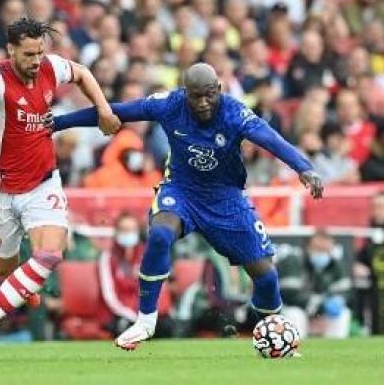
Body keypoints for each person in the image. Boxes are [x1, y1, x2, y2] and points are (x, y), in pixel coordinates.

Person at [48, 62, 324, 350]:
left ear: (218, 89)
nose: (203, 103)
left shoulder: (235, 113)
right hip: (181, 191)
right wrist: (59, 122)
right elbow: (114, 109)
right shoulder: (169, 105)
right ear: (185, 92)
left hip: (226, 199)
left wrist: (304, 168)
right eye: (196, 96)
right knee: (160, 234)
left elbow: (272, 140)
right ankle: (146, 320)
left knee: (265, 275)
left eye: (209, 95)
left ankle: (275, 335)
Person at [0, 17, 120, 358]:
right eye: (29, 54)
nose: (36, 61)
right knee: (4, 273)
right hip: (1, 189)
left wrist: (102, 109)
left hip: (43, 184)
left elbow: (83, 73)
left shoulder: (50, 68)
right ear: (11, 50)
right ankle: (15, 283)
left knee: (49, 255)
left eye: (39, 53)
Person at [277, 229, 352, 338]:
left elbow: (346, 291)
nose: (322, 253)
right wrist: (320, 303)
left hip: (321, 313)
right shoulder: (293, 261)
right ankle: (296, 348)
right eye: (318, 248)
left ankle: (334, 351)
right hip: (298, 310)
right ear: (308, 247)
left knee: (343, 313)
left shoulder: (336, 265)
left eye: (326, 250)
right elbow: (290, 294)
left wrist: (339, 299)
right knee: (295, 314)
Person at [98, 212, 146, 336]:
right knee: (126, 327)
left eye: (132, 230)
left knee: (165, 325)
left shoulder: (146, 254)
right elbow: (108, 295)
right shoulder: (108, 257)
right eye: (124, 230)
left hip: (143, 311)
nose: (128, 233)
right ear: (117, 232)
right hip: (117, 312)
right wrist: (130, 315)